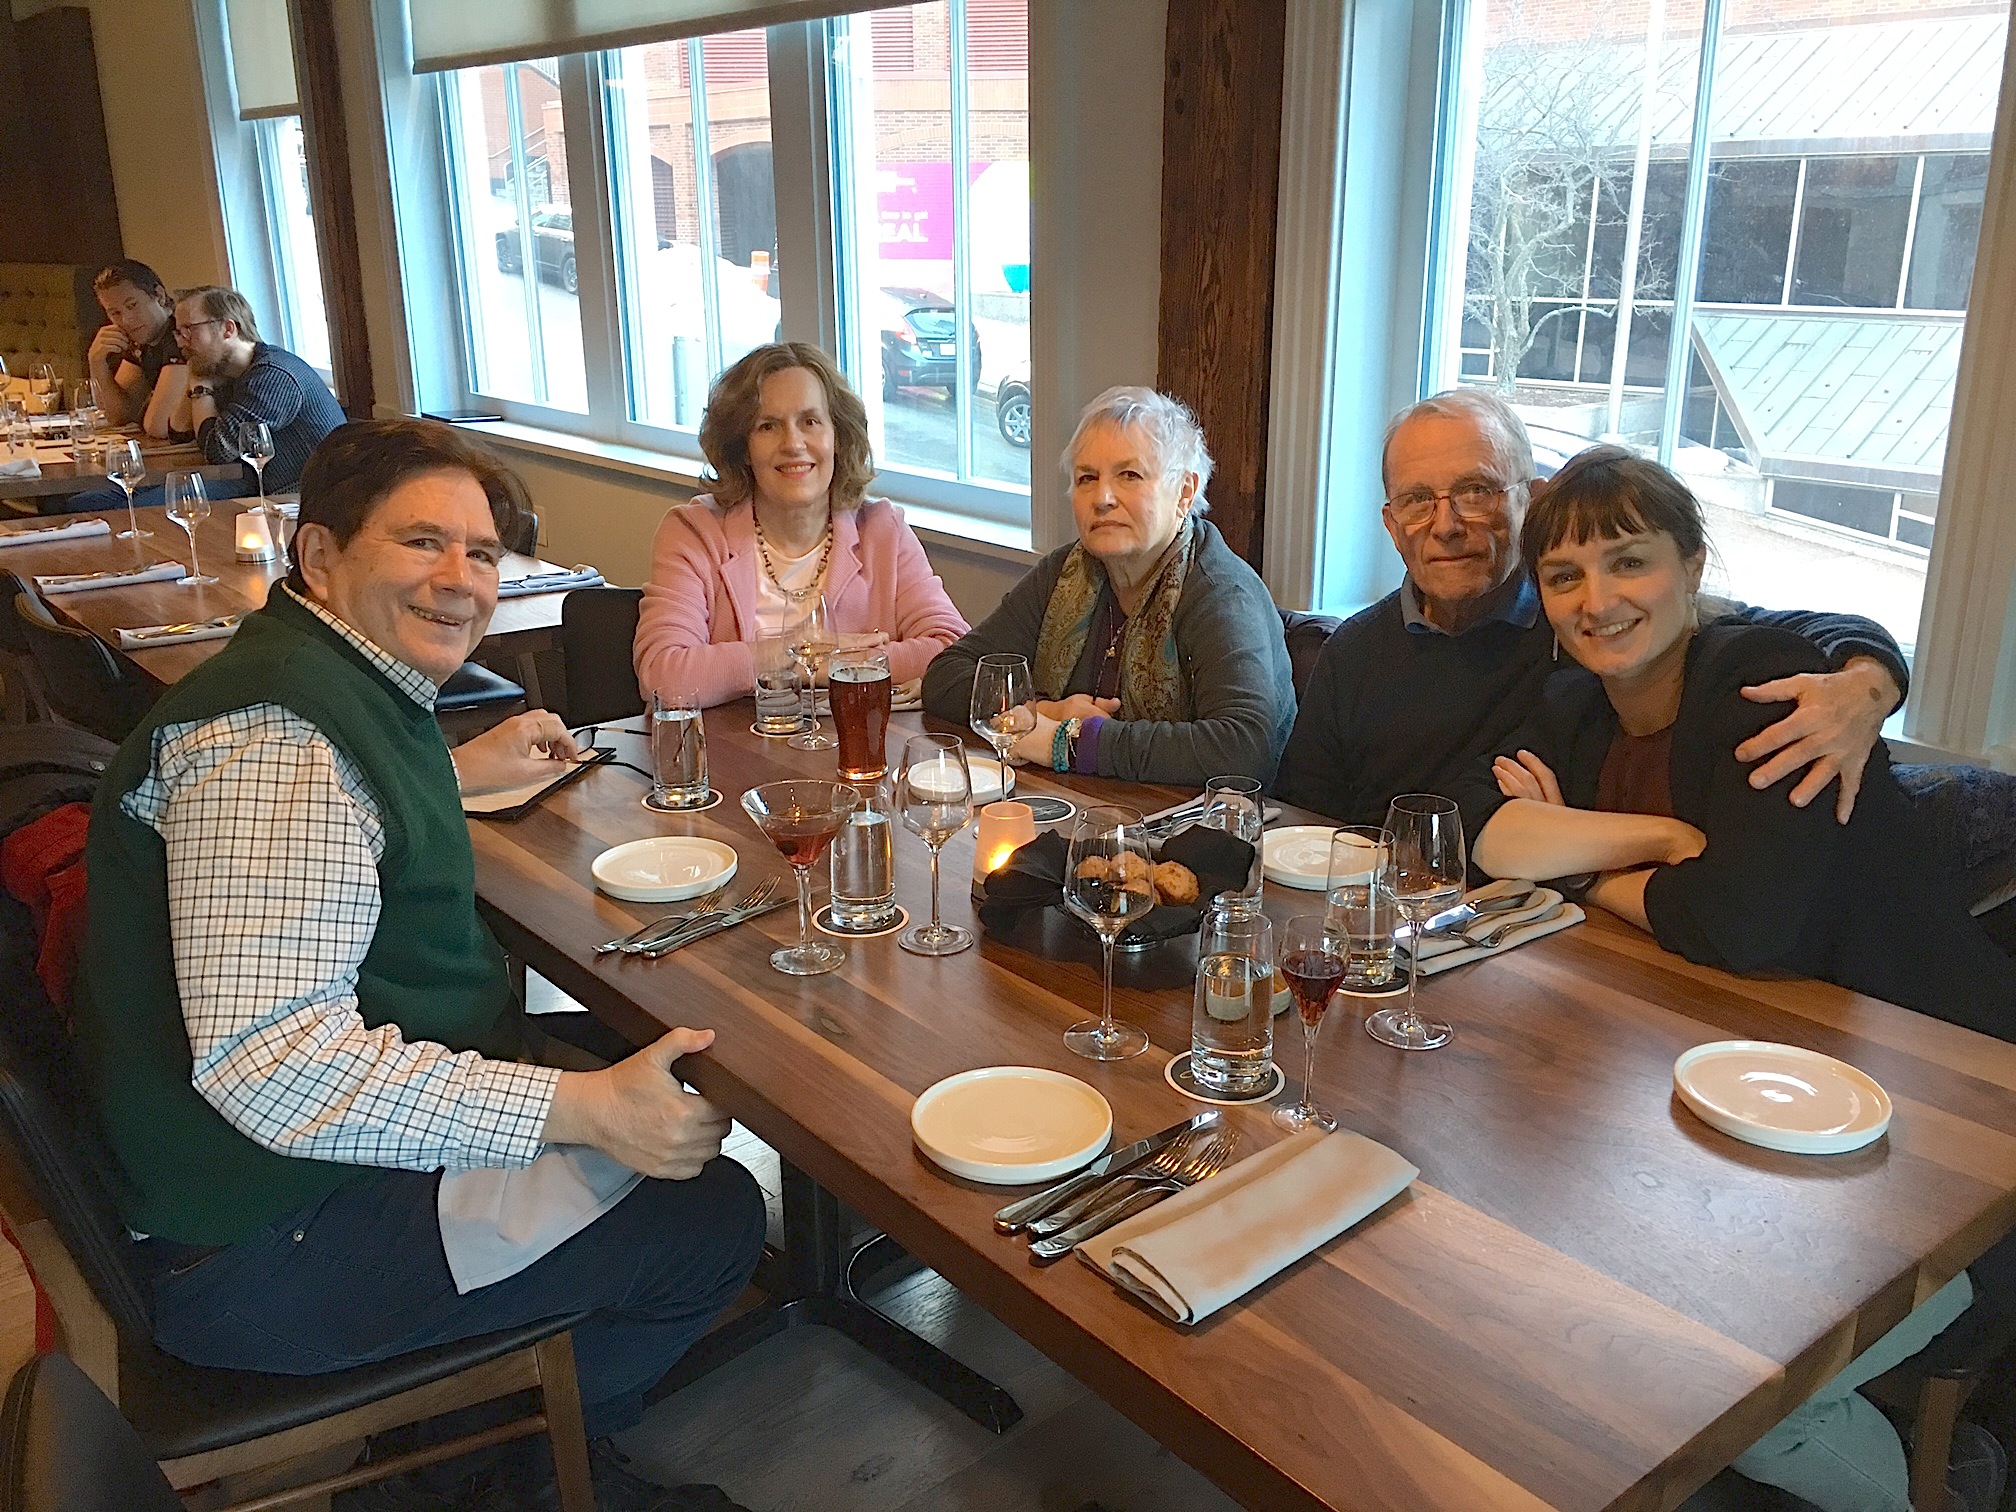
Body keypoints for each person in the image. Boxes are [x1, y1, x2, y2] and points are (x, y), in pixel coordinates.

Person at [75, 419, 765, 1512]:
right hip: (265, 1246)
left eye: (482, 554)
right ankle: (509, 1470)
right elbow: (272, 1065)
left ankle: (487, 1433)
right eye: (422, 544)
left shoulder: (318, 684)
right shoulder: (272, 746)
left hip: (248, 1191)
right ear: (320, 556)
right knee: (714, 1222)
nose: (461, 580)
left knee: (625, 1086)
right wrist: (576, 1109)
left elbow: (331, 848)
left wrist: (445, 770)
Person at [1469, 445, 2016, 1512]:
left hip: (1948, 1128)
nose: (1597, 599)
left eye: (1629, 561)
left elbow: (1735, 925)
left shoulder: (1765, 685)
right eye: (1566, 575)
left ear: (1693, 564)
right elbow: (1496, 837)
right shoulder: (1579, 706)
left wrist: (1589, 864)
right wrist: (1667, 837)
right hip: (1763, 1104)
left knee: (1736, 1403)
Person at [1273, 388, 1911, 829]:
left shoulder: (1592, 626)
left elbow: (1775, 629)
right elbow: (1303, 816)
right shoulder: (1355, 649)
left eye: (1475, 490)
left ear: (1533, 498)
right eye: (1418, 500)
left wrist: (1866, 683)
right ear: (1390, 523)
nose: (1446, 526)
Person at [923, 386, 1295, 786]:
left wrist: (1066, 743)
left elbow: (1243, 747)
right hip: (1085, 812)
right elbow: (946, 677)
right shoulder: (1062, 572)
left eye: (1129, 475)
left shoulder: (1220, 592)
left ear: (1184, 492)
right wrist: (1043, 712)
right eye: (1087, 478)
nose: (1102, 498)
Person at [634, 342, 968, 707]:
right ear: (743, 448)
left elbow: (952, 650)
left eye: (810, 421)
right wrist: (793, 654)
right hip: (731, 756)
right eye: (768, 426)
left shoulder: (883, 530)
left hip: (857, 753)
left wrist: (834, 663)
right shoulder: (694, 532)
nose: (793, 443)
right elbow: (663, 678)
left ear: (837, 437)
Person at [84, 260, 184, 435]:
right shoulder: (141, 339)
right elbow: (118, 415)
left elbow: (158, 426)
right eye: (115, 313)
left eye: (132, 306)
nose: (126, 320)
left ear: (159, 296)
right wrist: (96, 361)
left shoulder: (181, 333)